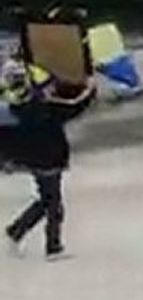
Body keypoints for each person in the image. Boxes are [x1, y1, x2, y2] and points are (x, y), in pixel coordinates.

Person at [2, 55, 96, 260]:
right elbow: (72, 108)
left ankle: (18, 231)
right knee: (52, 204)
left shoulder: (18, 107)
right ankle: (51, 246)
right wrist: (89, 91)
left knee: (47, 201)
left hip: (39, 158)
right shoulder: (42, 108)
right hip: (47, 159)